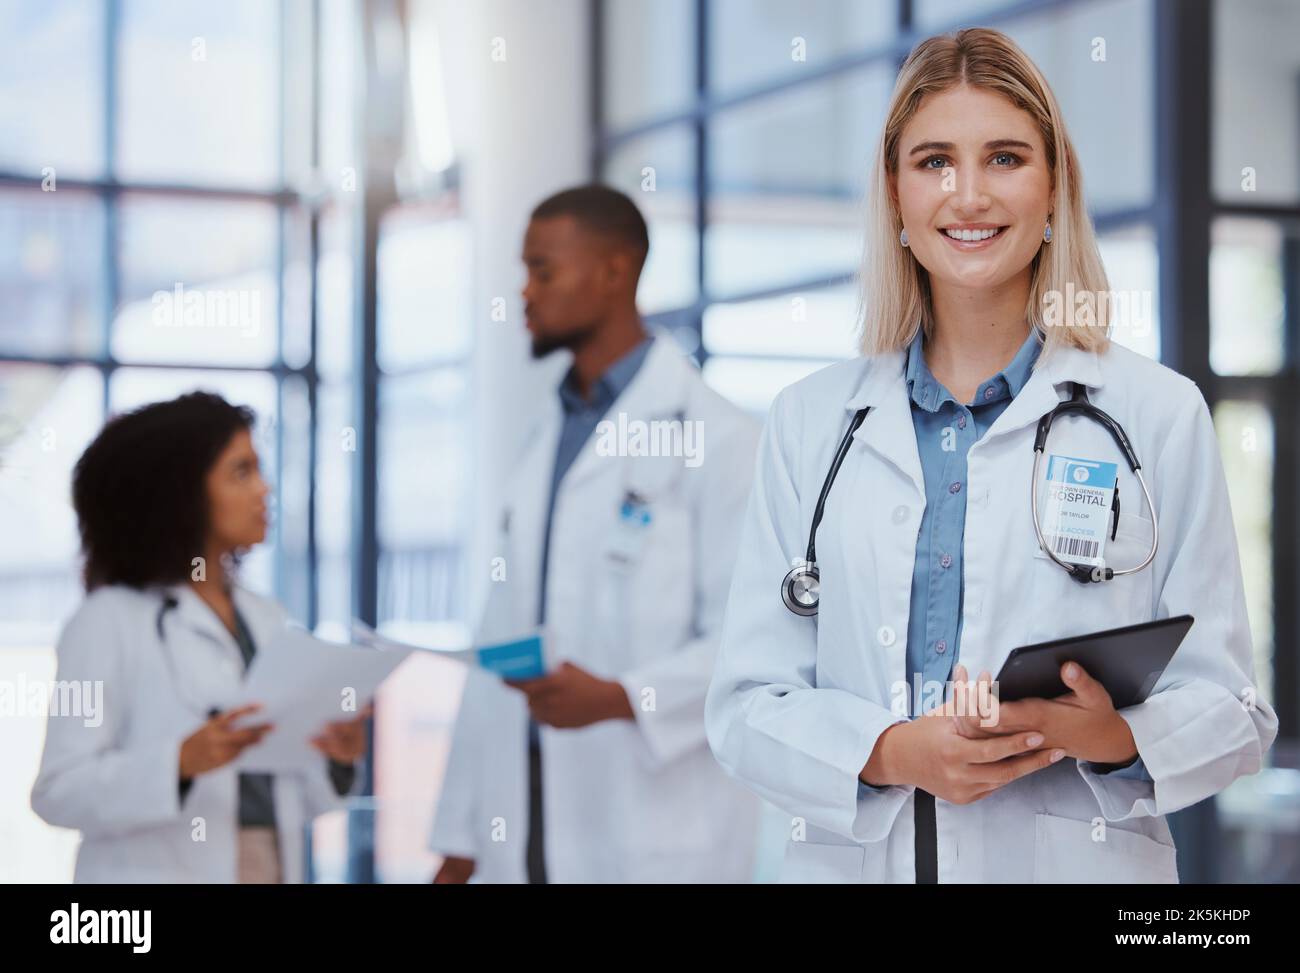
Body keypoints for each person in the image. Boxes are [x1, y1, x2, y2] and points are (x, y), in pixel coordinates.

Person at [704, 28, 1277, 884]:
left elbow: (1234, 711)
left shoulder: (1157, 414)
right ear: (895, 197)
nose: (966, 195)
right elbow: (746, 707)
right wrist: (895, 751)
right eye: (934, 161)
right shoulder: (810, 423)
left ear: (1054, 190)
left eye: (1004, 158)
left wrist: (1108, 734)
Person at [429, 185, 760, 883]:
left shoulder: (723, 438)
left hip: (655, 833)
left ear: (614, 272)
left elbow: (750, 645)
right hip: (526, 829)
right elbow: (500, 644)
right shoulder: (545, 435)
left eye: (542, 269)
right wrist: (459, 842)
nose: (524, 292)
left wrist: (619, 696)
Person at [31, 392, 367, 883]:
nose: (264, 490)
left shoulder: (264, 618)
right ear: (181, 493)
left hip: (267, 867)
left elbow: (282, 796)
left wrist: (336, 758)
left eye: (259, 469)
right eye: (241, 472)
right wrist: (178, 763)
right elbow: (58, 791)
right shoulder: (106, 622)